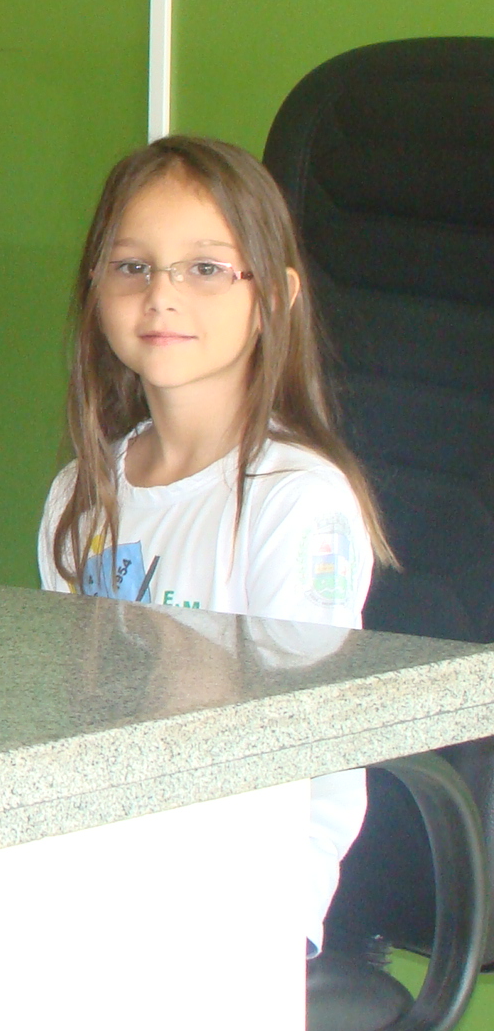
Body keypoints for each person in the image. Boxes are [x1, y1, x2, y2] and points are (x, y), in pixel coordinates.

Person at [38, 134, 394, 955]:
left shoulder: (296, 502)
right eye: (132, 267)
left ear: (274, 296)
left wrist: (267, 934)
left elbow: (312, 758)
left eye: (205, 268)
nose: (161, 296)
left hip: (245, 900)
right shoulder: (78, 498)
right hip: (109, 877)